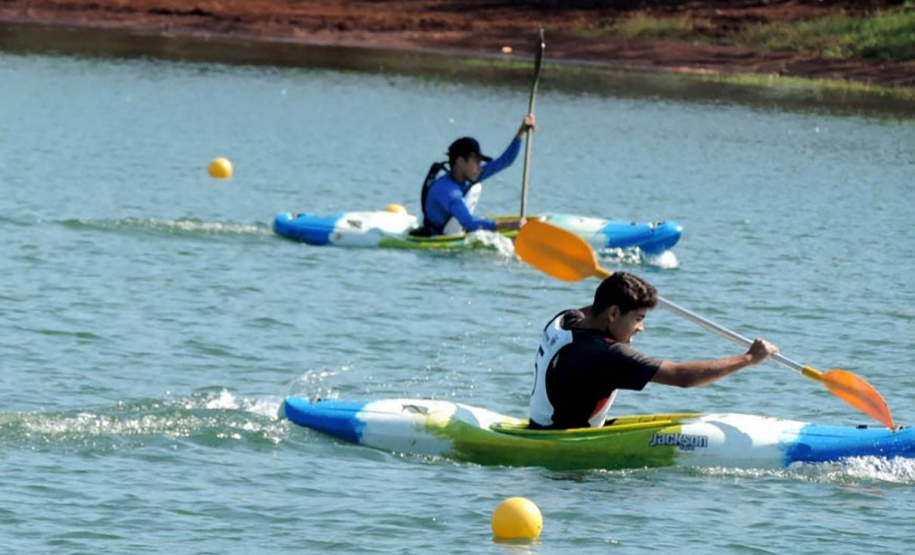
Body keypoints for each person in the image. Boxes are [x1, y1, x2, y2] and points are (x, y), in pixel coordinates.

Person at [529, 272, 779, 430]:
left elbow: (597, 307)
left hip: (539, 425)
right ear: (614, 313)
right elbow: (683, 377)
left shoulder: (563, 320)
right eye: (638, 318)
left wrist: (627, 287)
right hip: (564, 442)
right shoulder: (607, 354)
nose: (641, 328)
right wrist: (749, 358)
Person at [415, 114, 536, 236]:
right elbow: (469, 223)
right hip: (437, 236)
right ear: (461, 162)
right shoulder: (448, 191)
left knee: (475, 188)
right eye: (476, 162)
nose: (479, 167)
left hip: (456, 226)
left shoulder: (469, 176)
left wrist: (521, 132)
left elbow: (505, 161)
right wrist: (509, 225)